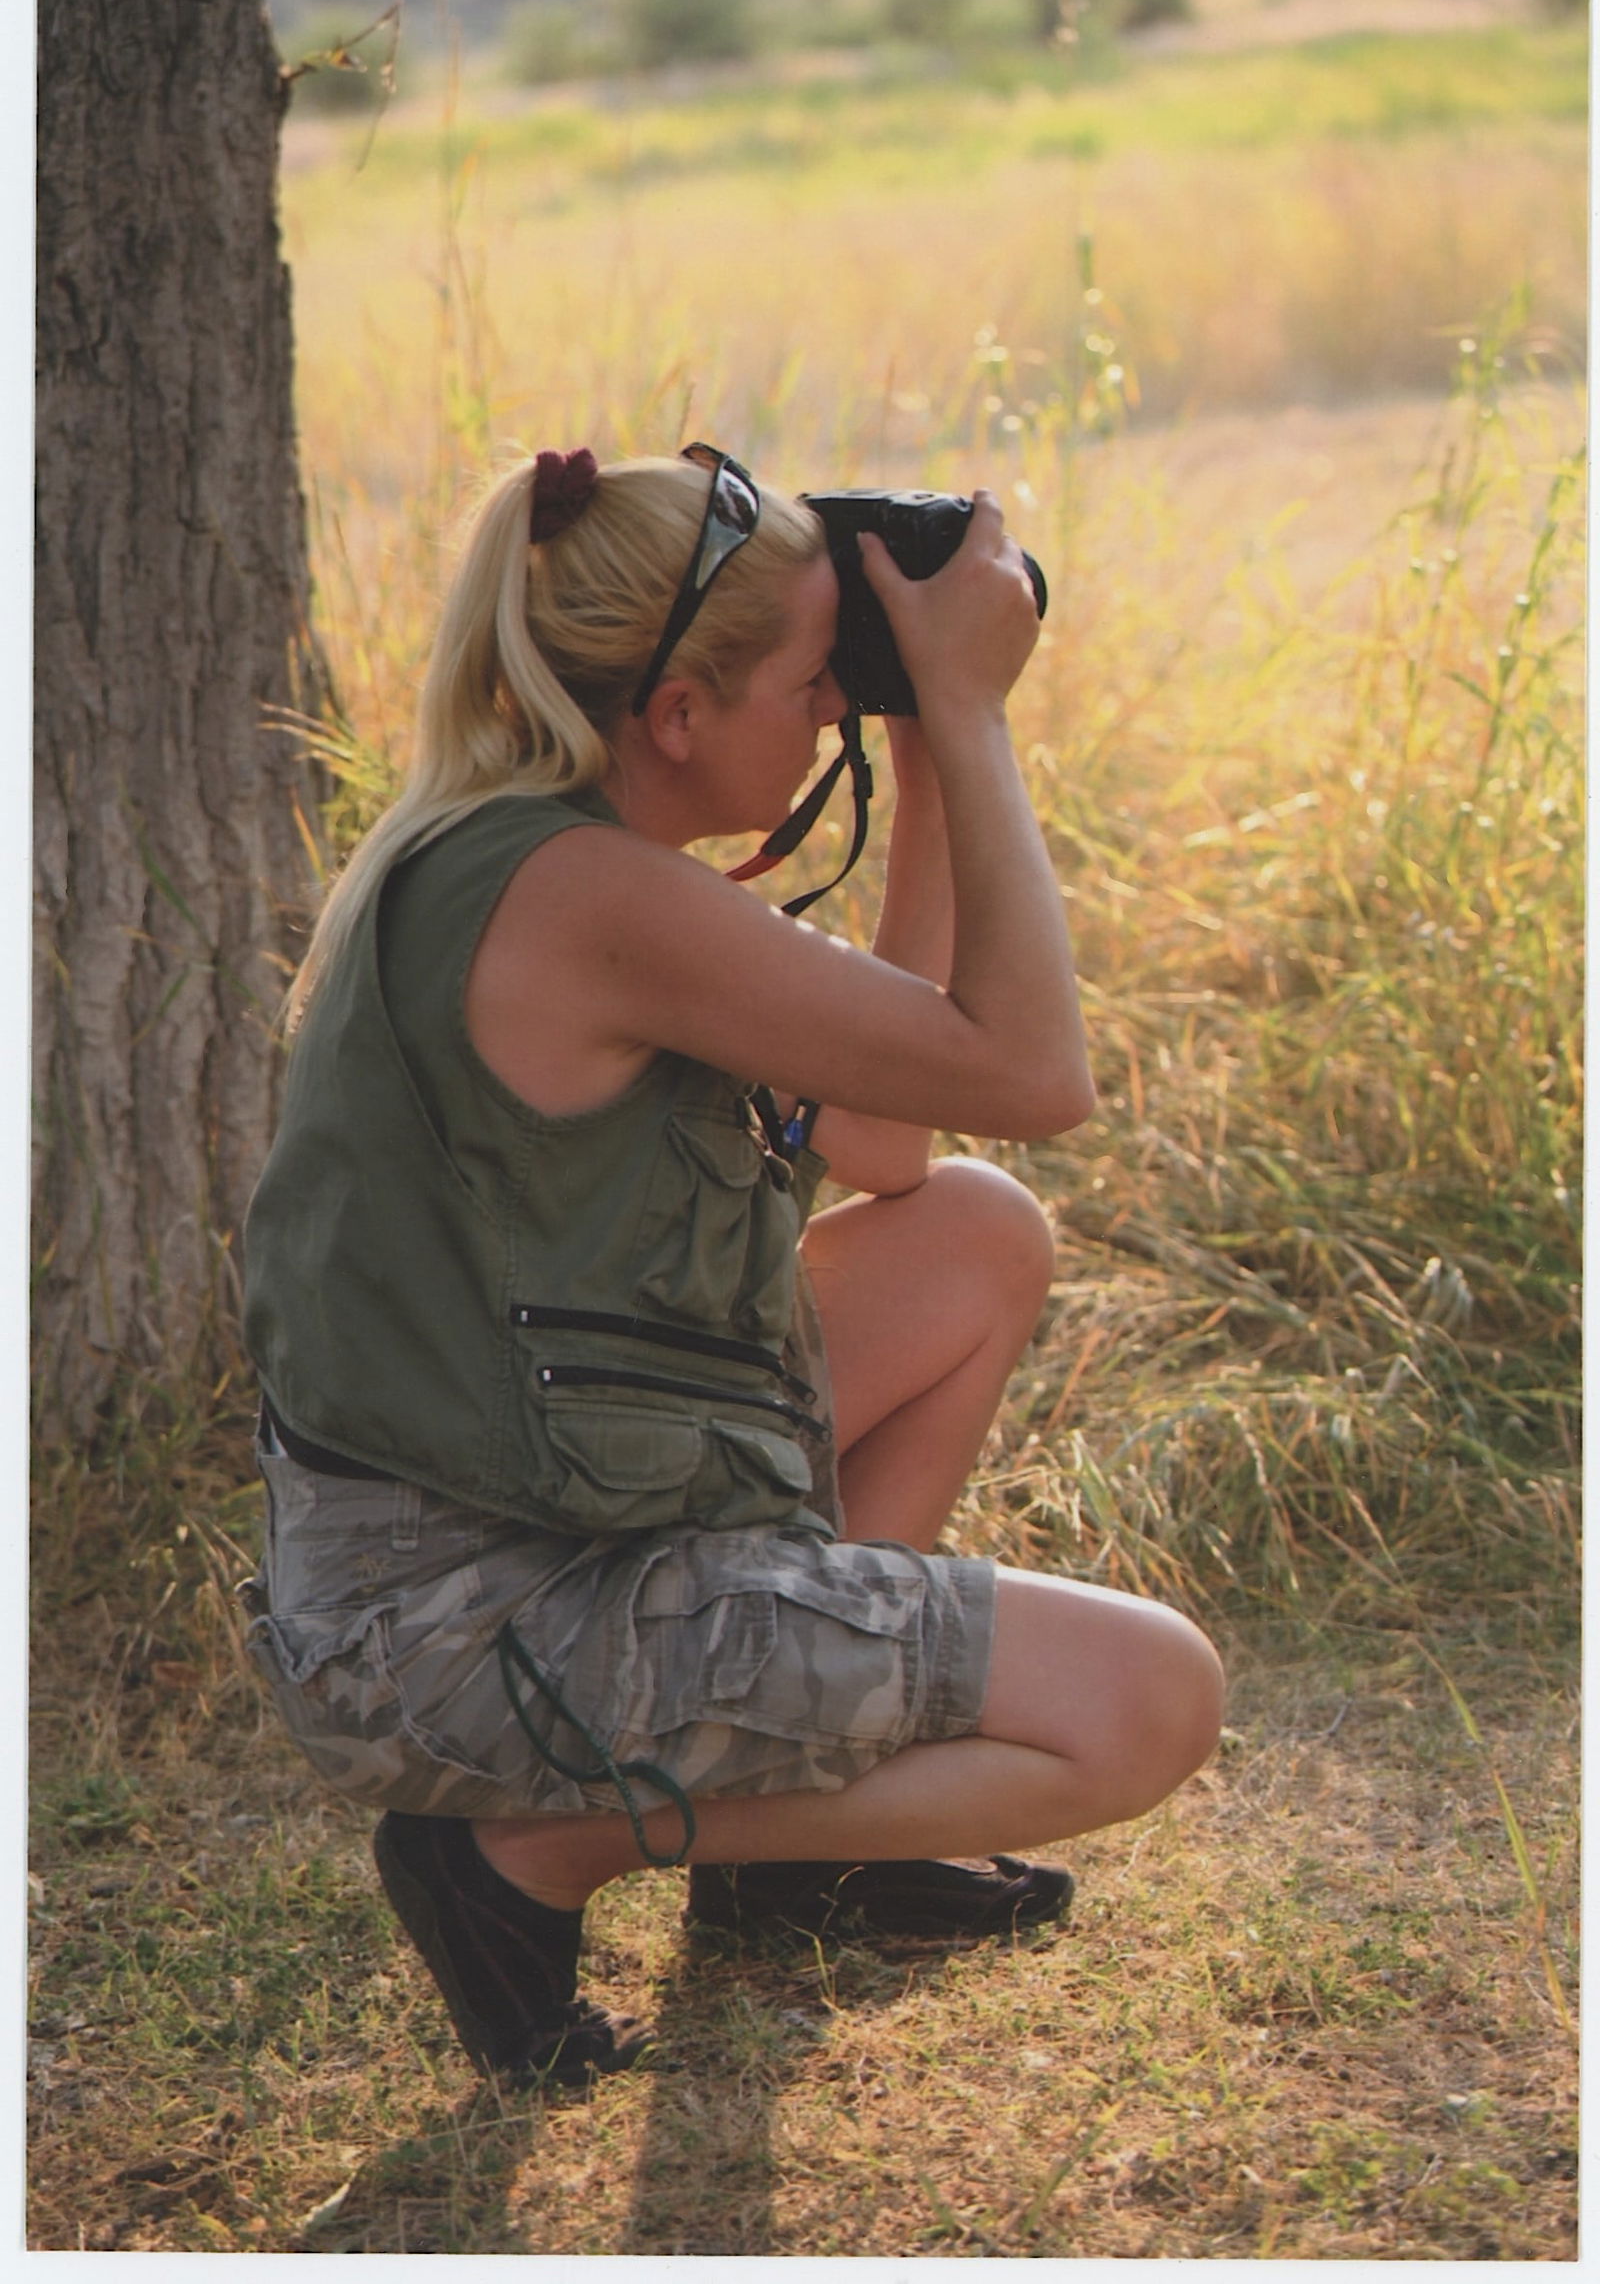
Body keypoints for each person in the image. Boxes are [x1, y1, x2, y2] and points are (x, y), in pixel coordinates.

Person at [240, 443, 1224, 2088]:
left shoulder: (544, 857)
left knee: (973, 1234)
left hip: (501, 1530)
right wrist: (975, 717)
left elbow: (889, 1143)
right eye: (815, 680)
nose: (833, 710)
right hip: (464, 1629)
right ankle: (531, 1852)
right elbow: (1037, 1072)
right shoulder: (591, 901)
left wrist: (924, 743)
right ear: (681, 716)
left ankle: (788, 1845)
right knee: (1151, 1703)